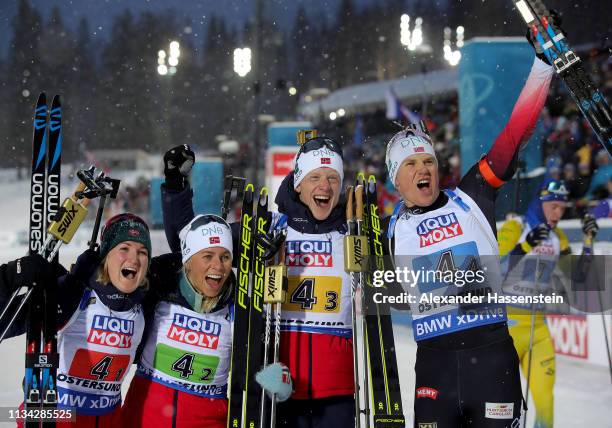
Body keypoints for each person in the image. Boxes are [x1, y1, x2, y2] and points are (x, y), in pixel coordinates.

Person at [383, 51, 554, 426]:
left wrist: (543, 67)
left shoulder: (472, 195)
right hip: (435, 370)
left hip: (492, 362)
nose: (422, 169)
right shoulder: (389, 228)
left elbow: (513, 136)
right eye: (411, 164)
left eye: (428, 161)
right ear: (397, 180)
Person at [161, 140, 357, 427]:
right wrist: (176, 185)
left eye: (332, 178)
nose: (324, 186)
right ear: (298, 183)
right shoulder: (266, 229)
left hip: (337, 392)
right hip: (274, 387)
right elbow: (192, 245)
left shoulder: (355, 235)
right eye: (314, 177)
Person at [0, 213, 151, 428]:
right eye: (124, 248)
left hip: (110, 420)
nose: (134, 258)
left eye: (142, 252)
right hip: (56, 417)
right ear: (106, 255)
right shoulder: (73, 293)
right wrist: (7, 276)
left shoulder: (145, 306)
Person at [498, 180, 599, 428]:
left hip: (538, 330)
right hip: (505, 330)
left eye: (562, 209)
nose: (557, 214)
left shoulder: (558, 236)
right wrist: (523, 247)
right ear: (540, 203)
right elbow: (490, 272)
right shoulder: (515, 227)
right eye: (553, 206)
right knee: (501, 408)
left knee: (545, 402)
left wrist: (588, 241)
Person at [121, 214, 236, 428]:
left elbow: (256, 364)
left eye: (225, 257)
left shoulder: (237, 306)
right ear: (188, 261)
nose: (218, 266)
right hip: (143, 418)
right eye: (207, 256)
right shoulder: (159, 290)